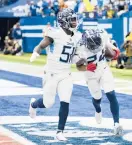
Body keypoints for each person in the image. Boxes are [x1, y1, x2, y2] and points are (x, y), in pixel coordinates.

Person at [29, 8, 81, 141]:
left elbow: (74, 57)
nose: (75, 22)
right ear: (64, 22)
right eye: (72, 19)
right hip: (51, 73)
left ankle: (60, 131)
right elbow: (41, 45)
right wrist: (36, 53)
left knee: (65, 101)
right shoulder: (55, 33)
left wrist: (82, 61)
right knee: (48, 103)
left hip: (65, 74)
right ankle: (34, 104)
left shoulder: (77, 36)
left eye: (75, 19)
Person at [75, 29, 123, 136]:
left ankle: (116, 124)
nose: (96, 48)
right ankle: (98, 110)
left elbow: (109, 46)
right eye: (93, 46)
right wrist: (87, 67)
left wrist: (115, 51)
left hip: (103, 67)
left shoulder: (102, 35)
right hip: (90, 74)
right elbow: (78, 67)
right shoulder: (79, 48)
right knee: (97, 98)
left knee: (111, 93)